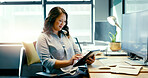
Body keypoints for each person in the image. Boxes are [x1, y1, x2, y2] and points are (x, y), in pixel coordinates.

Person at [36, 6, 95, 77]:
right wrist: (68, 62)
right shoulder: (43, 37)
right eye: (60, 21)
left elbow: (78, 53)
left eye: (64, 21)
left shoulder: (66, 34)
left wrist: (86, 60)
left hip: (75, 71)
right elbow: (46, 62)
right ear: (52, 20)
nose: (63, 24)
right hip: (60, 75)